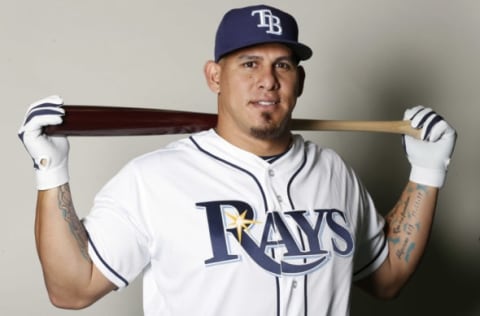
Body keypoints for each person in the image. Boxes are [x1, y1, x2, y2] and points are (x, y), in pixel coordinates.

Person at [18, 4, 457, 316]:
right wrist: (51, 171)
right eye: (249, 63)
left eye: (282, 65)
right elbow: (71, 290)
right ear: (215, 76)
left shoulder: (333, 173)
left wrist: (427, 173)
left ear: (299, 80)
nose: (267, 81)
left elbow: (386, 278)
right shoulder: (153, 180)